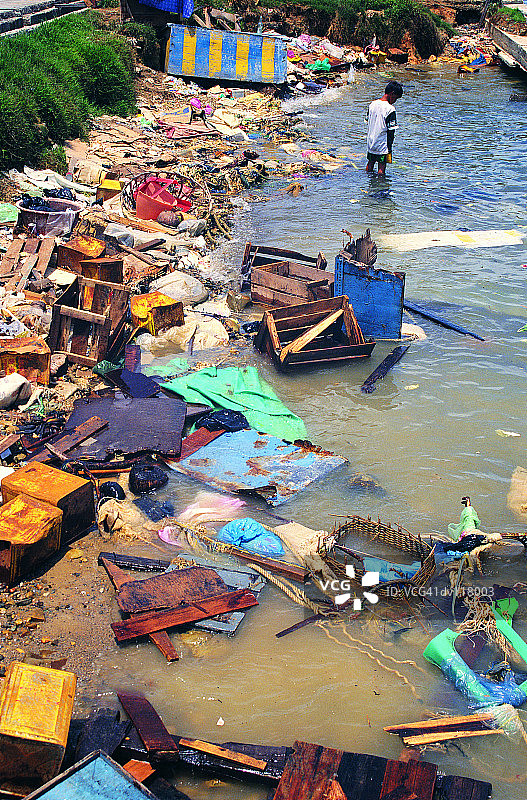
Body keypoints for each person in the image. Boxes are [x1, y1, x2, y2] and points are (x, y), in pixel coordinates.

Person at [366, 81, 403, 176]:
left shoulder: (372, 104)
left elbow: (368, 121)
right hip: (382, 143)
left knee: (370, 163)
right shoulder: (390, 109)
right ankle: (380, 188)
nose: (395, 101)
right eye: (396, 98)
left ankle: (368, 183)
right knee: (381, 168)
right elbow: (391, 130)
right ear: (392, 94)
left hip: (371, 142)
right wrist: (389, 147)